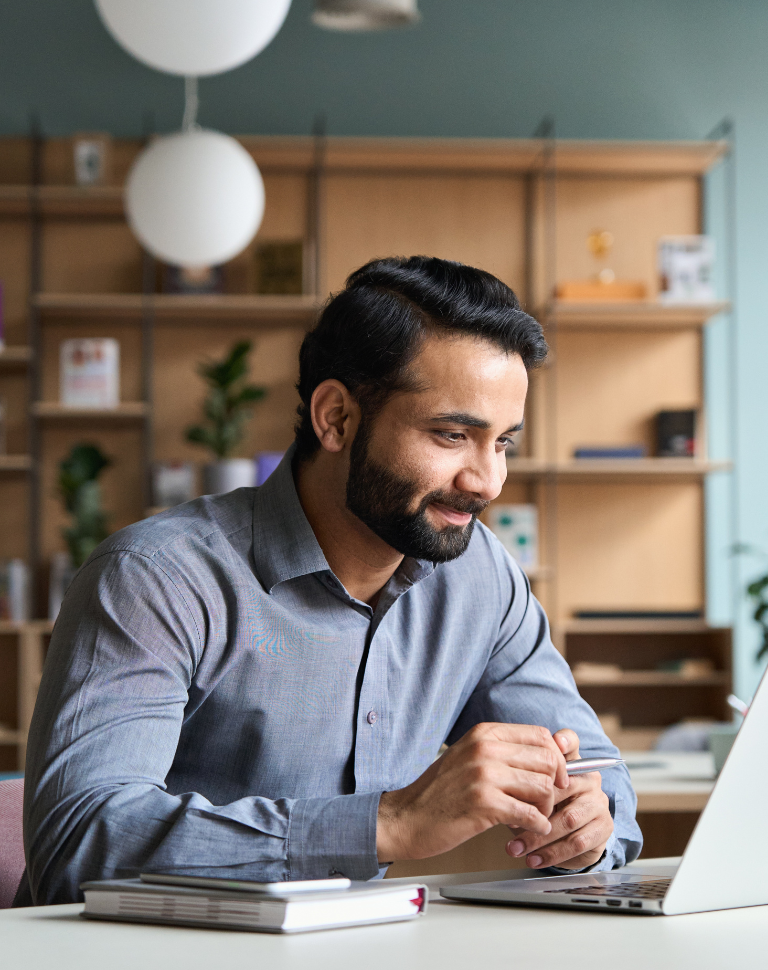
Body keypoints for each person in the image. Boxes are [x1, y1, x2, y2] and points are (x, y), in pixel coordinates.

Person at [16, 256, 641, 906]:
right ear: (336, 418)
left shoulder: (481, 578)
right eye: (452, 435)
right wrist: (389, 825)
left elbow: (604, 782)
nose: (486, 481)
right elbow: (77, 843)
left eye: (503, 443)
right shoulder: (157, 579)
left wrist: (587, 830)